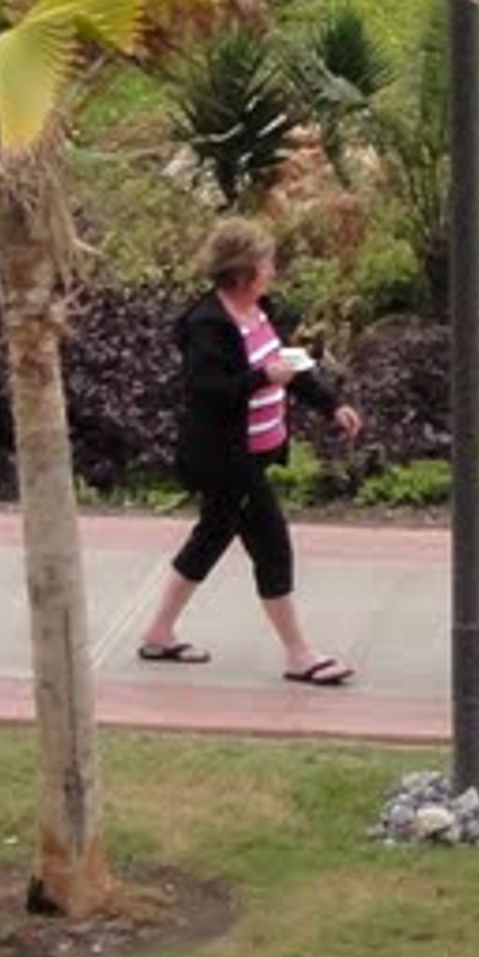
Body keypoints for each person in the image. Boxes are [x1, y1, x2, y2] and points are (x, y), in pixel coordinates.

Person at [136, 218, 363, 682]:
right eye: (266, 263)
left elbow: (289, 369)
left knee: (212, 536)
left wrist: (331, 405)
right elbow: (206, 390)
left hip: (256, 451)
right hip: (225, 459)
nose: (273, 271)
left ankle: (158, 632)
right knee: (272, 546)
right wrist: (263, 378)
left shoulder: (261, 311)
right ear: (241, 272)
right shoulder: (208, 325)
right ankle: (299, 654)